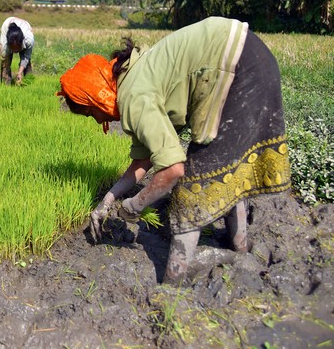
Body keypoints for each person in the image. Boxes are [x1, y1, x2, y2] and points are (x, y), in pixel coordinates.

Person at [58, 17, 291, 284]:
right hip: (251, 56)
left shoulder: (134, 97)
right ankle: (240, 249)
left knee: (194, 184)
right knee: (225, 166)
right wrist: (107, 201)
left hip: (236, 69)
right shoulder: (134, 75)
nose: (99, 121)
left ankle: (172, 286)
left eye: (91, 113)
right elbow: (143, 160)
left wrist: (135, 205)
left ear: (95, 96)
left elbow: (172, 170)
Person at [0, 17, 34, 85]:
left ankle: (29, 82)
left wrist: (19, 72)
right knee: (6, 63)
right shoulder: (5, 45)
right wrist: (4, 68)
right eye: (13, 48)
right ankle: (6, 83)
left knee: (27, 63)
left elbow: (26, 57)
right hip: (7, 24)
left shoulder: (29, 41)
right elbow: (3, 58)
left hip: (25, 26)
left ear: (21, 43)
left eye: (17, 48)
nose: (15, 51)